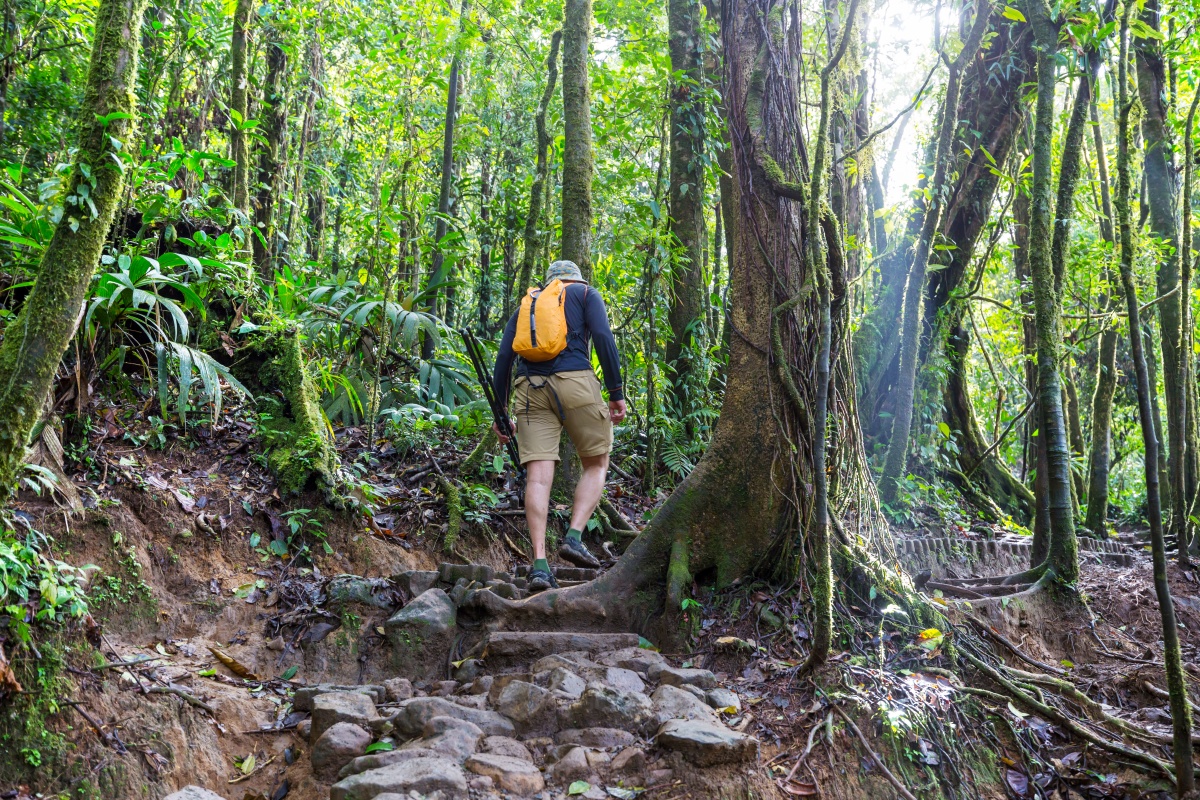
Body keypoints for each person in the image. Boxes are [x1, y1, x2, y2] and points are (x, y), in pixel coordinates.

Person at [492, 260, 627, 592]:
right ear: (575, 279)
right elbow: (603, 338)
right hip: (576, 383)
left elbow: (504, 358)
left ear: (550, 282)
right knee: (596, 462)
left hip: (529, 388)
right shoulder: (585, 293)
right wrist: (616, 392)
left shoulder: (530, 304)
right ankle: (574, 536)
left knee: (538, 476)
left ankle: (539, 566)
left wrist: (500, 413)